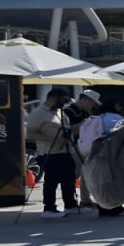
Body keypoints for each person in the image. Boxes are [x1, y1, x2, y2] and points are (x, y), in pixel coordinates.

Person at [27, 89, 78, 218]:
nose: (62, 104)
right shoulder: (38, 113)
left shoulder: (59, 112)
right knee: (51, 181)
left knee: (69, 179)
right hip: (50, 152)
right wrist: (54, 139)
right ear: (53, 99)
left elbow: (67, 128)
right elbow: (32, 133)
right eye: (61, 101)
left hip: (65, 151)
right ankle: (49, 208)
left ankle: (70, 204)